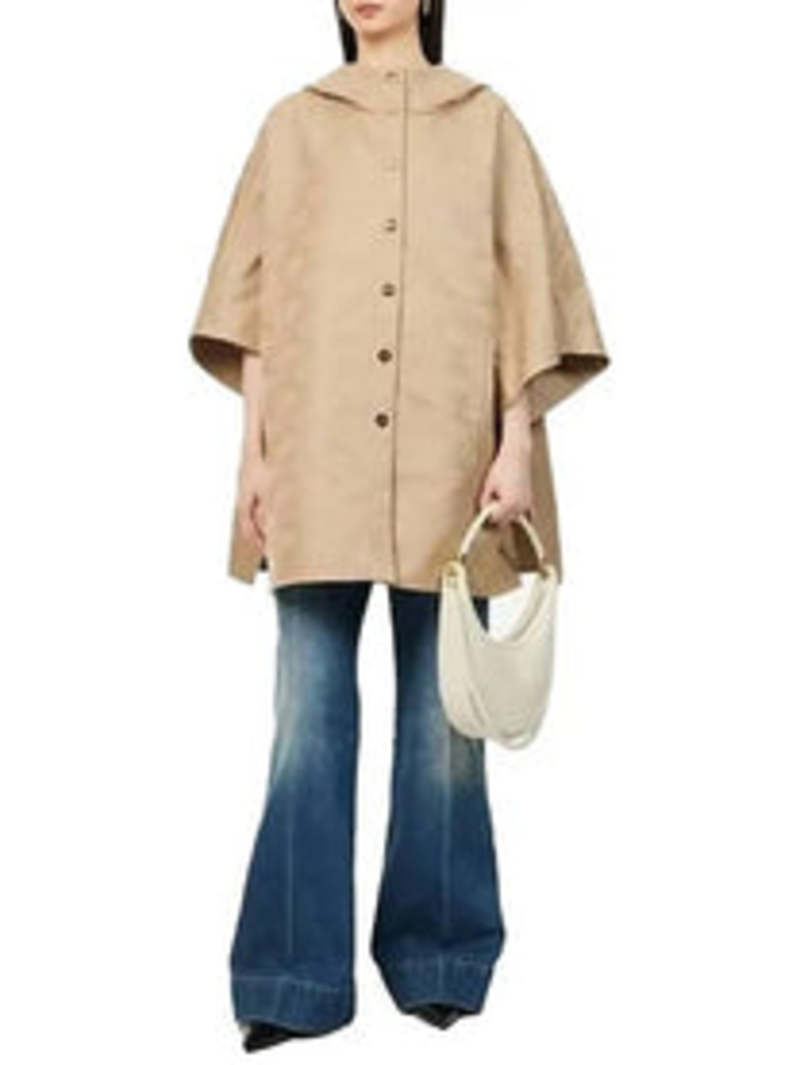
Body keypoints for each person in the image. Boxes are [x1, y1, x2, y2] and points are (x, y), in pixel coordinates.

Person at [188, 0, 609, 1052]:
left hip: (452, 463)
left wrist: (516, 444)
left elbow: (530, 296)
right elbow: (253, 310)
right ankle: (290, 976)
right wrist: (253, 454)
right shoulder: (292, 124)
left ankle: (439, 957)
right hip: (315, 460)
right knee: (307, 718)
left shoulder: (486, 121)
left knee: (443, 726)